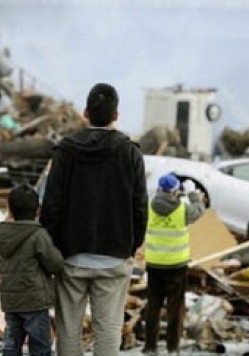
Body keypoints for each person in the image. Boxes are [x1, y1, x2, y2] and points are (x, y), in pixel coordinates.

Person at [40, 82, 148, 356]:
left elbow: (50, 206)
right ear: (116, 115)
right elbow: (140, 207)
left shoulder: (65, 153)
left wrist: (53, 249)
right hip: (114, 257)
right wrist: (131, 246)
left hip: (71, 257)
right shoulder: (130, 153)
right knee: (108, 331)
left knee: (68, 331)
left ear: (85, 113)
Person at [0, 183, 65, 356]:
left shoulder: (3, 235)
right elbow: (55, 264)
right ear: (37, 211)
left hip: (11, 301)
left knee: (12, 345)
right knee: (40, 347)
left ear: (10, 210)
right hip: (34, 301)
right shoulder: (38, 235)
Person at [142, 173, 205, 355]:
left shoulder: (149, 207)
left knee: (153, 305)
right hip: (176, 265)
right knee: (175, 308)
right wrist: (192, 194)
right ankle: (172, 347)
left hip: (154, 264)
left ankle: (150, 347)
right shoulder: (183, 209)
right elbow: (199, 210)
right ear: (175, 191)